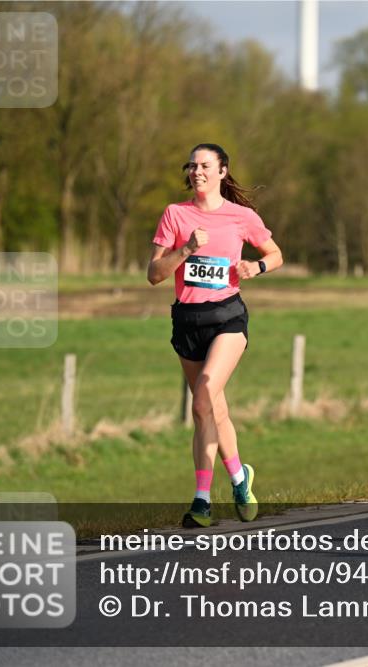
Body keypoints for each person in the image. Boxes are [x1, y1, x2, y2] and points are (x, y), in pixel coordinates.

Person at [148, 143, 283, 527]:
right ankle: (241, 478)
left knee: (202, 399)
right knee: (213, 409)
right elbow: (154, 274)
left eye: (205, 165)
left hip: (227, 319)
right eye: (191, 165)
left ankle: (202, 500)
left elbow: (275, 254)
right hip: (186, 322)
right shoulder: (175, 215)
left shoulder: (241, 216)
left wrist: (256, 267)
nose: (196, 171)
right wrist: (187, 249)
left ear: (223, 171)